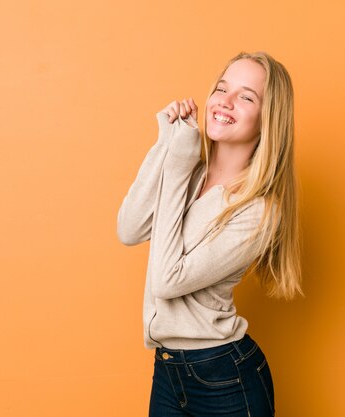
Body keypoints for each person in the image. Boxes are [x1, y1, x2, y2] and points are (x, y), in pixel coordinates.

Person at [117, 51, 303, 416]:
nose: (225, 102)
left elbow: (167, 281)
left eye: (246, 96)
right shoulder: (189, 171)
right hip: (168, 370)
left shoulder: (259, 210)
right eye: (222, 88)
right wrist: (166, 144)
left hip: (224, 378)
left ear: (268, 120)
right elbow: (129, 228)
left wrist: (178, 162)